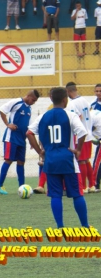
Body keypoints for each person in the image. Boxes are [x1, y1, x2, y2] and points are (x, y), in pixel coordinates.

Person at [27, 87, 90, 228]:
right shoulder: (70, 115)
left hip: (50, 161)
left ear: (51, 98)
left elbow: (29, 133)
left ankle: (60, 227)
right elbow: (82, 132)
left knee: (55, 195)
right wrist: (78, 150)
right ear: (65, 99)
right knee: (77, 194)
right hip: (68, 160)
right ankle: (85, 226)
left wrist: (40, 152)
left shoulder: (42, 116)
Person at [0, 90, 40, 195]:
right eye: (33, 100)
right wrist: (7, 124)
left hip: (22, 139)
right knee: (8, 160)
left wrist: (31, 142)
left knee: (21, 162)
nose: (33, 102)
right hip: (11, 138)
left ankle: (22, 187)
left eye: (35, 101)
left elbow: (27, 126)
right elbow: (1, 110)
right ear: (28, 96)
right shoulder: (17, 102)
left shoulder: (29, 108)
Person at [66, 82, 95, 194]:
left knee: (81, 161)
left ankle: (83, 187)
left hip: (80, 135)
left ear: (68, 91)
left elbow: (78, 117)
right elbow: (89, 111)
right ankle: (92, 185)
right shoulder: (84, 100)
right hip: (88, 134)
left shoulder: (73, 103)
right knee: (86, 160)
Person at [90, 110, 101, 190]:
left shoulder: (91, 116)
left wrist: (92, 140)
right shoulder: (95, 112)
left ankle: (95, 184)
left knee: (97, 163)